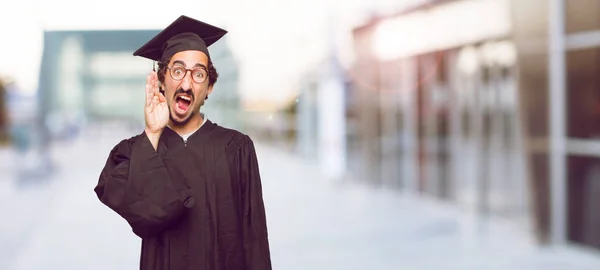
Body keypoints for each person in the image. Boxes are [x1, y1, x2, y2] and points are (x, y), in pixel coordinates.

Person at [93, 15, 272, 270]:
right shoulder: (132, 152)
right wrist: (153, 133)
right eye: (177, 71)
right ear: (162, 80)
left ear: (209, 87)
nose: (187, 84)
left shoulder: (236, 148)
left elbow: (254, 241)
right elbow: (141, 214)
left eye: (199, 74)